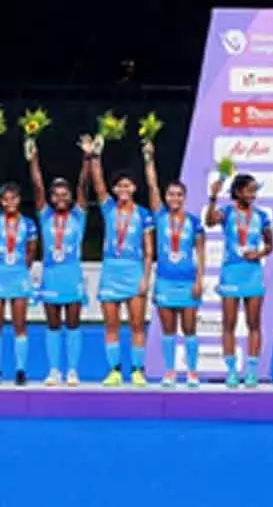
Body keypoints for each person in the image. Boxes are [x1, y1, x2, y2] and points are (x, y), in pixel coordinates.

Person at [88, 136, 155, 387]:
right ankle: (114, 371)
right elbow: (98, 184)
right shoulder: (108, 208)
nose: (124, 189)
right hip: (111, 271)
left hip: (134, 270)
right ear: (115, 190)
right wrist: (95, 156)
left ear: (134, 188)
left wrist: (145, 278)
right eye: (119, 186)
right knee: (111, 326)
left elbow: (149, 251)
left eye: (128, 185)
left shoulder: (144, 214)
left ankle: (137, 370)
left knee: (137, 325)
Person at [27, 139, 90, 387]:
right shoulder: (45, 216)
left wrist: (87, 159)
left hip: (72, 275)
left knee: (73, 324)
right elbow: (37, 187)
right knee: (52, 325)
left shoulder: (78, 216)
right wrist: (33, 159)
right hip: (51, 275)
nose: (61, 197)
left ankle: (72, 370)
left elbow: (84, 185)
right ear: (51, 198)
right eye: (56, 194)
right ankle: (54, 370)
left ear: (71, 197)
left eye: (65, 194)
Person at [143, 142, 205, 388]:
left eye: (179, 194)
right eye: (171, 194)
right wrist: (149, 158)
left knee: (189, 329)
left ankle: (192, 372)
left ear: (184, 197)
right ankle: (169, 371)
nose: (174, 198)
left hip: (187, 282)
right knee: (168, 331)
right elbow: (152, 186)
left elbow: (201, 253)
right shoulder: (159, 217)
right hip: (165, 281)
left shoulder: (194, 222)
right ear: (166, 198)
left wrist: (199, 280)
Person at [205, 173, 273, 388]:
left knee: (254, 323)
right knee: (229, 324)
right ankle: (232, 371)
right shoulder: (226, 212)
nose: (253, 195)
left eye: (255, 191)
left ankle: (252, 371)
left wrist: (259, 254)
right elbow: (209, 222)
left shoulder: (261, 215)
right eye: (249, 190)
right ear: (238, 192)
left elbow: (270, 245)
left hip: (252, 272)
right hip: (231, 272)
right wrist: (213, 197)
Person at [0, 182, 38, 386]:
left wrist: (22, 268)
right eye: (6, 199)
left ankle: (21, 370)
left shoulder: (28, 224)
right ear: (1, 201)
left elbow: (32, 250)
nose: (10, 202)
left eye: (13, 198)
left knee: (20, 324)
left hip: (18, 276)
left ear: (19, 200)